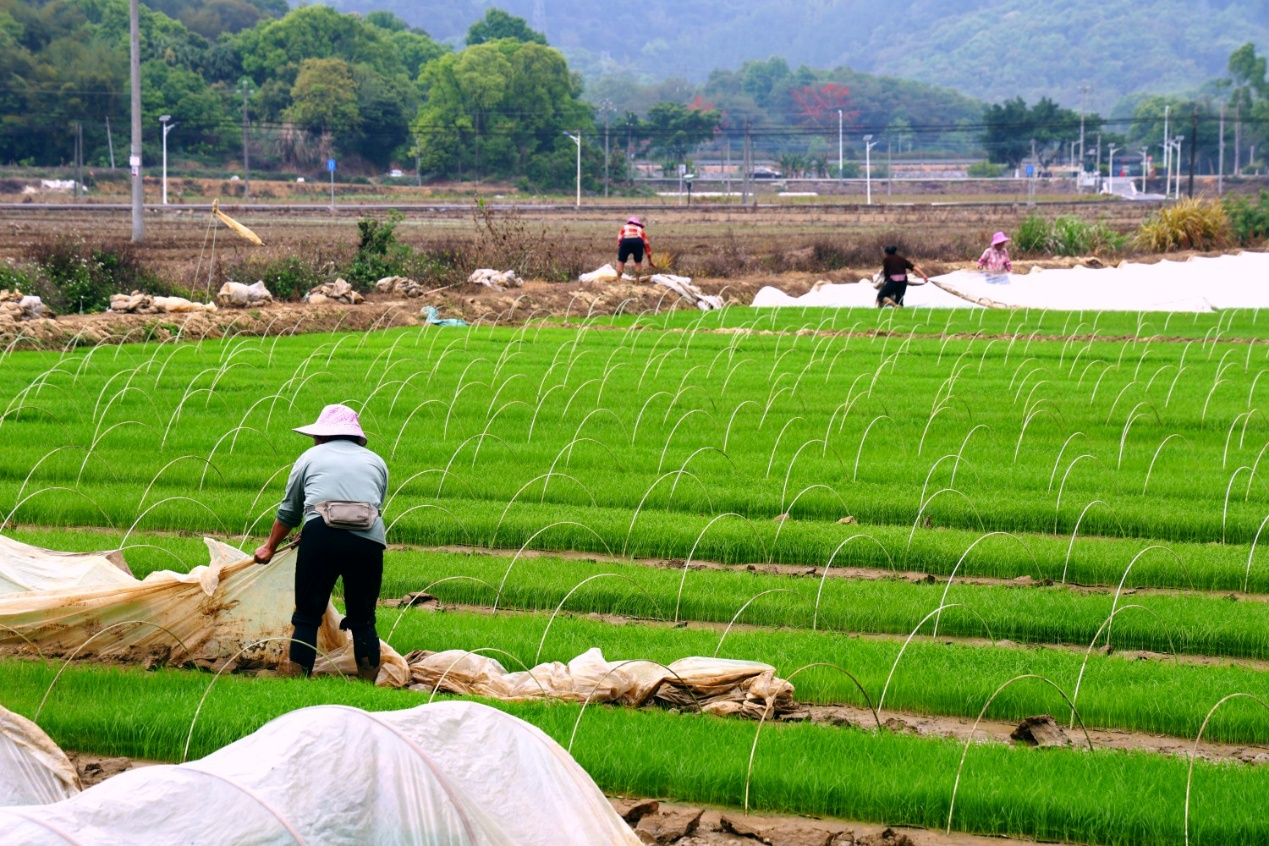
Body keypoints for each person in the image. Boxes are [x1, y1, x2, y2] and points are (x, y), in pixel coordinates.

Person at [254, 404, 389, 682]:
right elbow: (373, 507)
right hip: (368, 542)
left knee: (307, 615)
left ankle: (298, 680)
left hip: (321, 538)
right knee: (363, 619)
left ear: (323, 436)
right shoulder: (376, 461)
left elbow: (289, 511)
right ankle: (369, 683)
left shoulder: (309, 457)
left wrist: (269, 547)